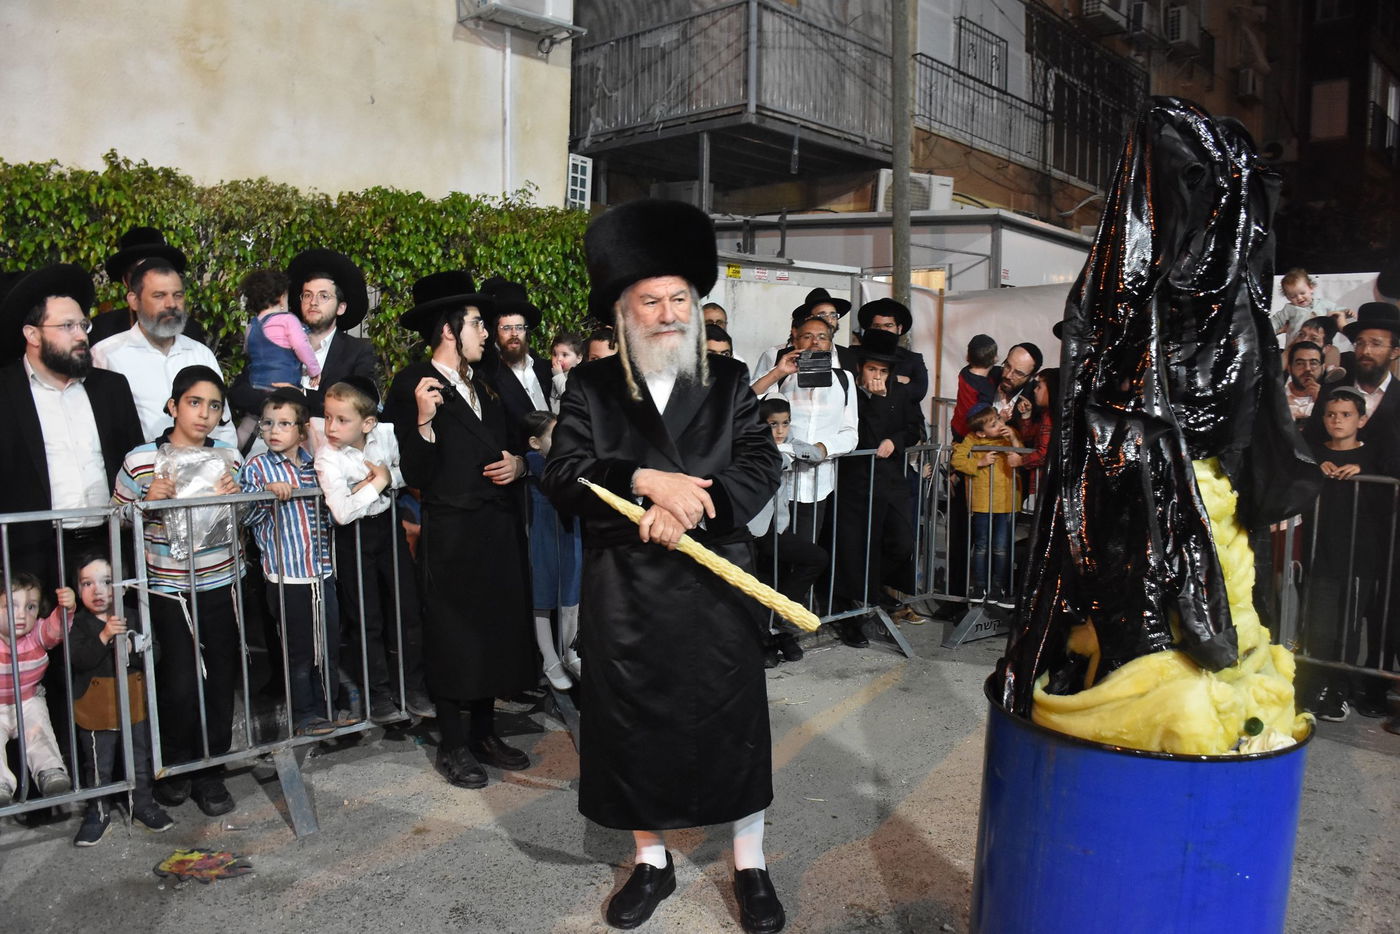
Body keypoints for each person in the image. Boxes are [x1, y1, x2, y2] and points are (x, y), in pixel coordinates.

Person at [542, 199, 784, 933]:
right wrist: (647, 482)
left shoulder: (731, 377)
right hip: (629, 591)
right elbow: (563, 472)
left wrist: (692, 506)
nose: (668, 312)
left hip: (717, 584)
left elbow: (758, 461)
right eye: (651, 300)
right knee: (633, 728)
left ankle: (751, 864)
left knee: (731, 726)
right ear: (622, 311)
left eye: (680, 297)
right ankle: (651, 860)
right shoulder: (590, 387)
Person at [383, 271, 537, 789]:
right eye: (476, 323)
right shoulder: (412, 384)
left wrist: (519, 465)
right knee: (453, 639)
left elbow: (521, 437)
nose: (486, 332)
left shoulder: (488, 380)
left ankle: (485, 733)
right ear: (449, 329)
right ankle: (453, 743)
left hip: (499, 526)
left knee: (495, 631)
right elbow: (417, 473)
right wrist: (424, 422)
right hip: (451, 531)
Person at [111, 365, 243, 817]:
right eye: (194, 402)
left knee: (220, 680)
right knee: (179, 682)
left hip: (220, 583)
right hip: (167, 591)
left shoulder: (228, 457)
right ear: (172, 406)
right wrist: (144, 500)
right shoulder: (140, 460)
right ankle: (179, 767)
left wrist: (238, 496)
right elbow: (114, 518)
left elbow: (244, 519)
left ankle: (213, 771)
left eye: (214, 406)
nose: (204, 414)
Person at [0, 264, 145, 584]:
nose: (81, 335)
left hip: (109, 546)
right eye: (67, 326)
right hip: (34, 557)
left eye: (83, 324)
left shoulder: (111, 388)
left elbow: (133, 464)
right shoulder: (5, 393)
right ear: (32, 334)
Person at [316, 377, 431, 723]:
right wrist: (378, 484)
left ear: (368, 423)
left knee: (407, 610)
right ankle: (378, 695)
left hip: (388, 527)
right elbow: (342, 512)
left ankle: (413, 687)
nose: (331, 427)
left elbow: (399, 473)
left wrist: (383, 480)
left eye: (341, 419)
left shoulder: (385, 433)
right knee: (367, 618)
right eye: (327, 417)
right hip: (353, 537)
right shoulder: (327, 457)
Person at [240, 388, 341, 737]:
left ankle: (329, 707)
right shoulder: (257, 467)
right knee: (298, 650)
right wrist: (268, 493)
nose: (273, 430)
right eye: (267, 423)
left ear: (301, 431)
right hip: (287, 576)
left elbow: (331, 517)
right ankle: (304, 713)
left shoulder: (318, 467)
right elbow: (245, 516)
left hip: (321, 572)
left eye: (284, 423)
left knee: (325, 643)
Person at [64, 551, 172, 845]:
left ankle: (143, 805)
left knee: (139, 758)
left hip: (134, 702)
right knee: (98, 765)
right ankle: (98, 812)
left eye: (107, 581)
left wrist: (139, 648)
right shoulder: (78, 623)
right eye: (87, 583)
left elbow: (156, 652)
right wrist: (105, 636)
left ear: (124, 586)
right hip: (96, 709)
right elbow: (79, 659)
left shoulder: (134, 616)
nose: (97, 590)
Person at [832, 328, 924, 636]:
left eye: (883, 370)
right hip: (856, 483)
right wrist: (877, 400)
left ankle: (874, 590)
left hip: (890, 482)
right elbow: (864, 436)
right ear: (861, 367)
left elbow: (914, 429)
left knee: (902, 542)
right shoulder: (849, 392)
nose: (878, 375)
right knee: (855, 548)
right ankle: (852, 612)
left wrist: (896, 441)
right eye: (872, 369)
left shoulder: (898, 391)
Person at [1300, 389, 1383, 722]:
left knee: (1347, 629)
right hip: (1321, 554)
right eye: (1332, 414)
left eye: (1346, 414)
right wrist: (1314, 468)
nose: (1337, 420)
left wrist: (1361, 471)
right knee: (1318, 627)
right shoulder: (1313, 453)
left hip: (1360, 557)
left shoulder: (1375, 457)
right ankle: (1315, 686)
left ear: (1361, 419)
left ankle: (1338, 691)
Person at [92, 258, 238, 445]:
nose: (171, 304)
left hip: (206, 469)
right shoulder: (107, 356)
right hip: (140, 470)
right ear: (134, 300)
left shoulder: (201, 354)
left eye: (177, 295)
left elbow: (224, 427)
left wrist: (226, 466)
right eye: (159, 296)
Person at [229, 248, 375, 420]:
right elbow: (239, 392)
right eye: (307, 295)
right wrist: (272, 398)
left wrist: (300, 396)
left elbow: (362, 405)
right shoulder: (277, 336)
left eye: (323, 296)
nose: (313, 302)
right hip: (265, 438)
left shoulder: (356, 351)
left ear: (341, 307)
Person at [748, 396, 825, 667]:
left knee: (809, 561)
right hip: (752, 529)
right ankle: (767, 640)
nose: (780, 430)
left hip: (777, 527)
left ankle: (780, 620)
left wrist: (791, 448)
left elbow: (816, 454)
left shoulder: (787, 444)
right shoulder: (753, 446)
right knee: (761, 582)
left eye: (785, 423)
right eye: (773, 425)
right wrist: (785, 452)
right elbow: (773, 463)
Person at [0, 571, 73, 805]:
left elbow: (55, 630)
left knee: (39, 733)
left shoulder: (36, 635)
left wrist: (65, 609)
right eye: (11, 606)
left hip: (28, 700)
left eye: (30, 607)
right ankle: (1, 783)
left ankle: (50, 771)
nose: (21, 614)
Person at [522, 410, 582, 690]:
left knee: (572, 589)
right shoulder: (534, 461)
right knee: (543, 593)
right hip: (544, 533)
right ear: (535, 442)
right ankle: (549, 657)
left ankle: (572, 651)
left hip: (571, 532)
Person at [952, 404, 1024, 606]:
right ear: (981, 434)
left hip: (1008, 502)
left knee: (1001, 548)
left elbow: (1023, 454)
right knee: (982, 546)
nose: (1000, 424)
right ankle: (980, 586)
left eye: (999, 420)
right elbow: (957, 459)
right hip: (982, 502)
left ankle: (998, 587)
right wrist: (979, 463)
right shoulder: (971, 439)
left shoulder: (1009, 435)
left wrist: (1013, 437)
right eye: (994, 424)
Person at [89, 227, 208, 347]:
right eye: (141, 271)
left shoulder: (191, 332)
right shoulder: (102, 331)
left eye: (158, 270)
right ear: (126, 281)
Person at [480, 276, 553, 445]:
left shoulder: (545, 368)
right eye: (506, 328)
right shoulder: (488, 377)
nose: (514, 334)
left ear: (526, 331)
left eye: (519, 327)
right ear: (495, 332)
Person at [241, 268, 320, 391]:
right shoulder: (287, 320)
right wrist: (313, 370)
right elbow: (301, 346)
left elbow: (248, 351)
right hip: (283, 386)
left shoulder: (251, 326)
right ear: (282, 298)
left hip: (255, 385)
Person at [854, 297, 928, 405]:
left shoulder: (913, 359)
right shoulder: (854, 354)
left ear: (899, 328)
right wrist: (897, 379)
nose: (883, 331)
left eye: (888, 326)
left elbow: (917, 393)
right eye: (877, 326)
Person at [1271, 268, 1350, 342]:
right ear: (1287, 297)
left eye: (1302, 293)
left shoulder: (1323, 304)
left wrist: (1346, 312)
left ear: (1311, 288)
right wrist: (1271, 330)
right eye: (1293, 296)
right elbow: (1276, 321)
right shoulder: (1289, 308)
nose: (1299, 298)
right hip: (1297, 345)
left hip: (1320, 343)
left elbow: (1336, 311)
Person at [951, 334, 997, 440]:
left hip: (957, 426)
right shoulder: (985, 389)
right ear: (994, 359)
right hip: (972, 433)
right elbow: (985, 415)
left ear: (968, 357)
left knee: (957, 453)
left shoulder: (964, 372)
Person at [1284, 340, 1325, 426]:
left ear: (1322, 368)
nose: (1307, 368)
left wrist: (1320, 401)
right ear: (1289, 368)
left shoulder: (1330, 400)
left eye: (1313, 363)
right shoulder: (1277, 397)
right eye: (1300, 363)